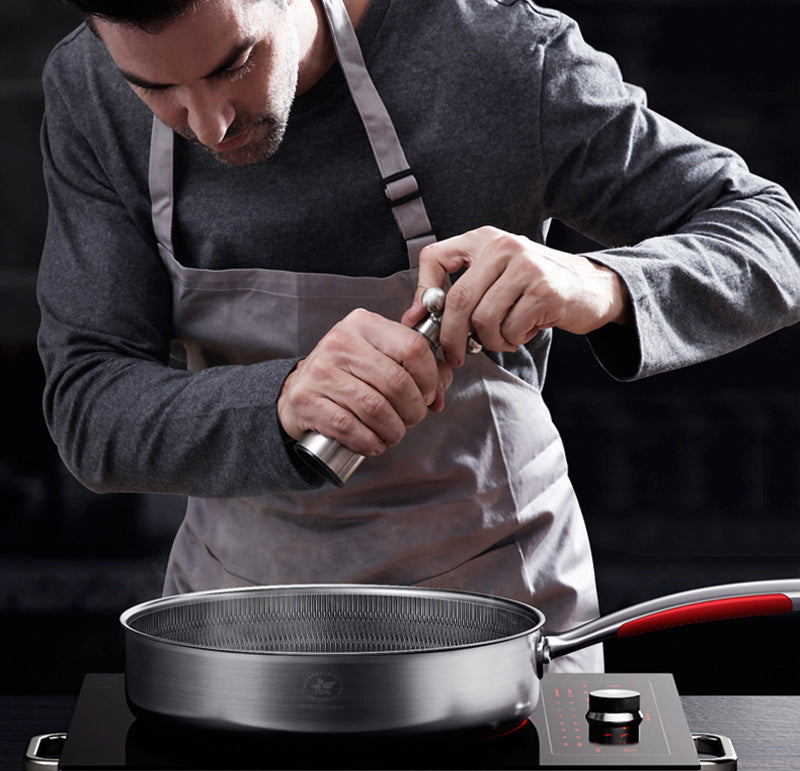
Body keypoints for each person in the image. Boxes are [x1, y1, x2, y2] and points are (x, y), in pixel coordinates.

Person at [37, 0, 800, 672]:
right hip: (235, 626)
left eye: (236, 63)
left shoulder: (497, 58)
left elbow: (777, 239)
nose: (210, 124)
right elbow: (88, 408)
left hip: (502, 617)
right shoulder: (87, 90)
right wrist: (278, 405)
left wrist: (598, 282)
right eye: (156, 91)